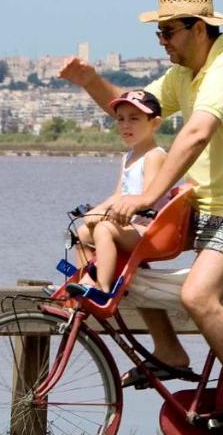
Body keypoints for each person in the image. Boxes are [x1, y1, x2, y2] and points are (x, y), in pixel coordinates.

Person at [58, 0, 223, 435]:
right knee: (120, 251)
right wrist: (90, 81)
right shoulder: (183, 75)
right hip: (204, 207)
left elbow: (197, 133)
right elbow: (133, 109)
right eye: (158, 32)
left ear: (198, 28)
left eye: (167, 31)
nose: (161, 40)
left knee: (197, 296)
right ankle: (169, 351)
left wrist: (147, 195)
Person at [69, 89, 173, 299]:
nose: (126, 125)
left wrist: (108, 216)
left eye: (134, 119)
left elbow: (148, 197)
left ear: (154, 123)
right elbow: (119, 194)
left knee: (104, 230)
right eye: (121, 119)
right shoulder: (129, 157)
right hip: (128, 225)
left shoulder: (155, 156)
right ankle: (86, 278)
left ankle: (103, 288)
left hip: (149, 230)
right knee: (82, 233)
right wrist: (96, 211)